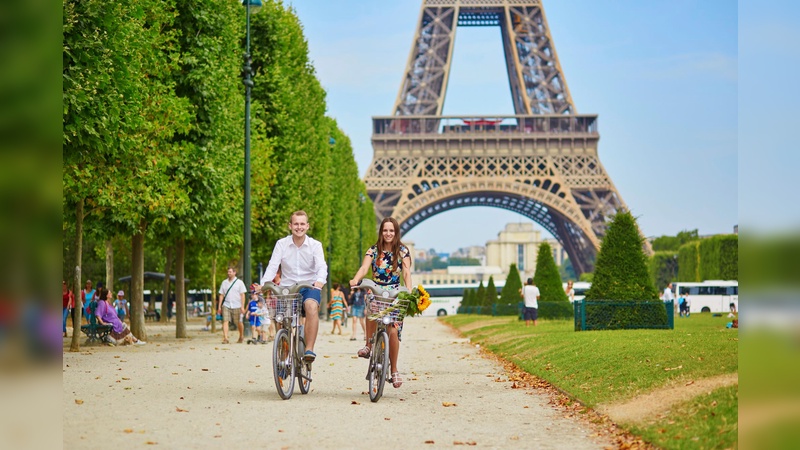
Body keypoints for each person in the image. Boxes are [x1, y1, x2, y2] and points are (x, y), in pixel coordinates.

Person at [349, 217, 412, 389]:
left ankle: (394, 370)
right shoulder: (373, 250)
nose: (388, 233)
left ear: (396, 232)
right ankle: (369, 345)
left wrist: (409, 291)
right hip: (376, 289)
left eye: (392, 230)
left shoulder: (403, 251)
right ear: (381, 232)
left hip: (395, 293)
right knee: (371, 308)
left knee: (392, 330)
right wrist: (356, 279)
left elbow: (406, 272)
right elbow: (364, 268)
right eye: (385, 230)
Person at [259, 210, 328, 363]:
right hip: (287, 288)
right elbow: (272, 266)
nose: (299, 227)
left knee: (311, 307)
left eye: (302, 224)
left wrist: (320, 281)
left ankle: (309, 349)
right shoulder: (281, 244)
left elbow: (321, 266)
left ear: (307, 226)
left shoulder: (315, 245)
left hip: (309, 286)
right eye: (296, 224)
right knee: (280, 318)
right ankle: (284, 350)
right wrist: (263, 284)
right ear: (290, 226)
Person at [217, 266, 247, 344]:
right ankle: (225, 338)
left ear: (234, 272)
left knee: (239, 322)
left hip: (237, 305)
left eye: (230, 272)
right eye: (228, 272)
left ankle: (241, 336)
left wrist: (242, 306)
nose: (228, 273)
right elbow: (221, 294)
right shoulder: (224, 282)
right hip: (226, 304)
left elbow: (242, 295)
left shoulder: (239, 282)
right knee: (225, 321)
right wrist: (219, 306)